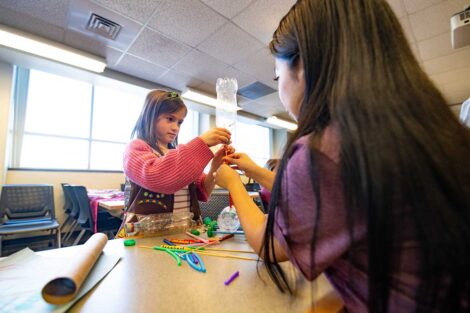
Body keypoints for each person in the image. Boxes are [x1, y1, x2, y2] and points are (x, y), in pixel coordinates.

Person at [213, 1, 470, 312]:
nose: (280, 87)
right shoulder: (425, 128)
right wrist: (254, 170)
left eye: (277, 76)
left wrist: (233, 184)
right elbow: (330, 197)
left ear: (304, 65)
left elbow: (271, 244)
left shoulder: (322, 149)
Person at [117, 90, 233, 238]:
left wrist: (215, 166)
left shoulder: (178, 155)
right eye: (170, 119)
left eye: (179, 122)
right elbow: (159, 177)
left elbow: (202, 190)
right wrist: (201, 143)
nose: (175, 127)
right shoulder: (136, 148)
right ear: (150, 117)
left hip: (182, 234)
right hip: (146, 236)